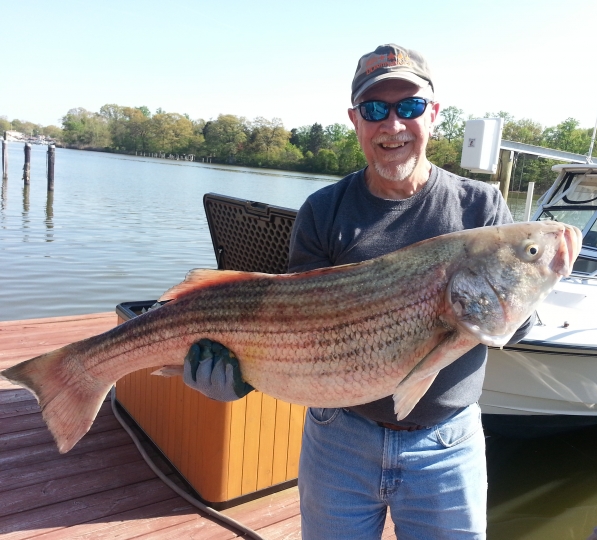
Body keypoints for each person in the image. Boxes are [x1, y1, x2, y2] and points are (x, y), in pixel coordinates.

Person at [184, 43, 534, 540]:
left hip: (447, 444)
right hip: (338, 439)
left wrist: (520, 303)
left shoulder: (482, 208)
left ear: (433, 114)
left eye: (409, 107)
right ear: (355, 120)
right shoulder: (323, 210)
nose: (392, 124)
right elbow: (296, 330)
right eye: (375, 110)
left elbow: (512, 328)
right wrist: (239, 369)